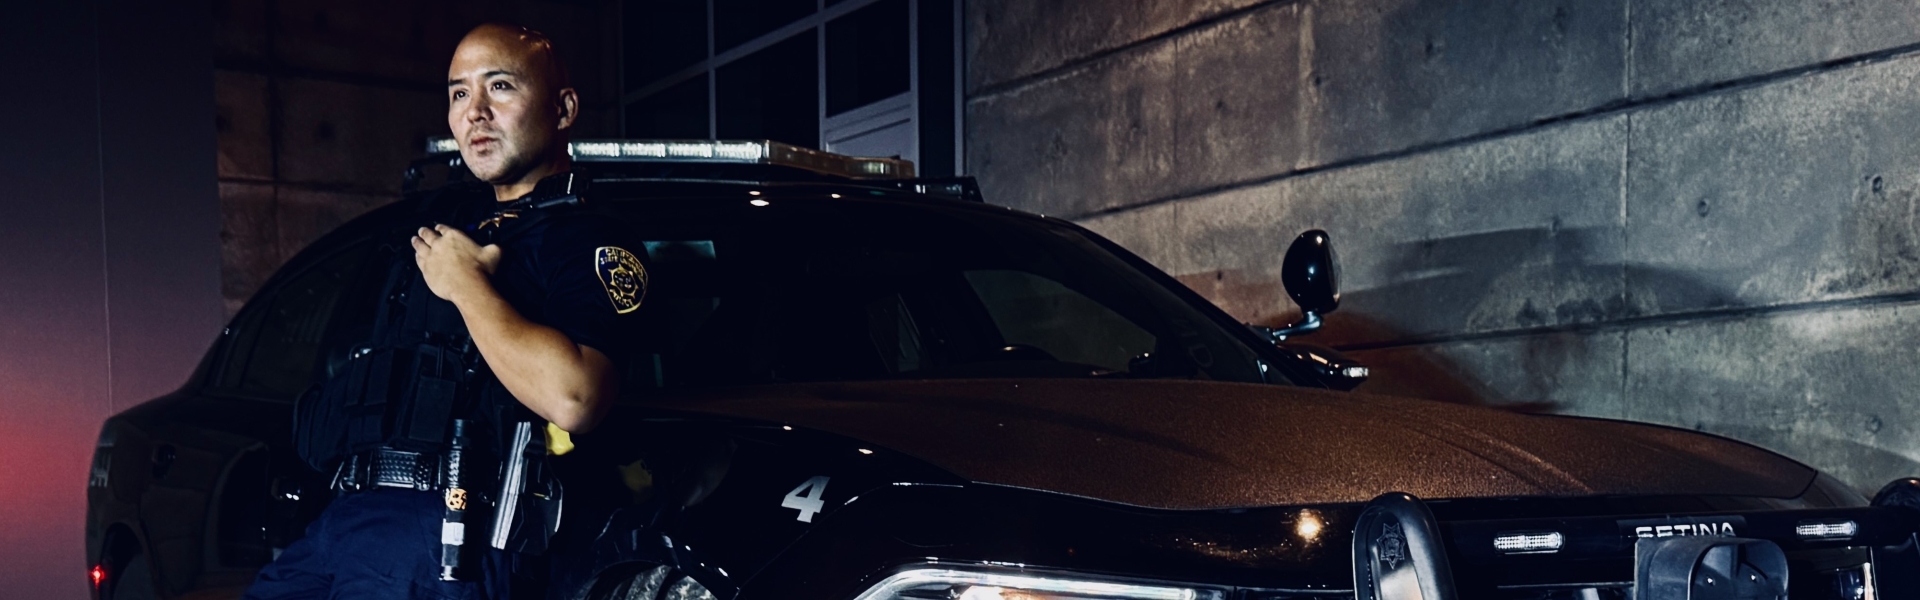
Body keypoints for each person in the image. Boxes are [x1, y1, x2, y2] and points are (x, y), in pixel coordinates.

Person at [245, 23, 644, 600]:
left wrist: (467, 286)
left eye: (500, 86)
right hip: (344, 517)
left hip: (445, 529)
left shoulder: (588, 240)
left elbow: (575, 398)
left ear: (563, 108)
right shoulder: (446, 217)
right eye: (459, 93)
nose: (474, 113)